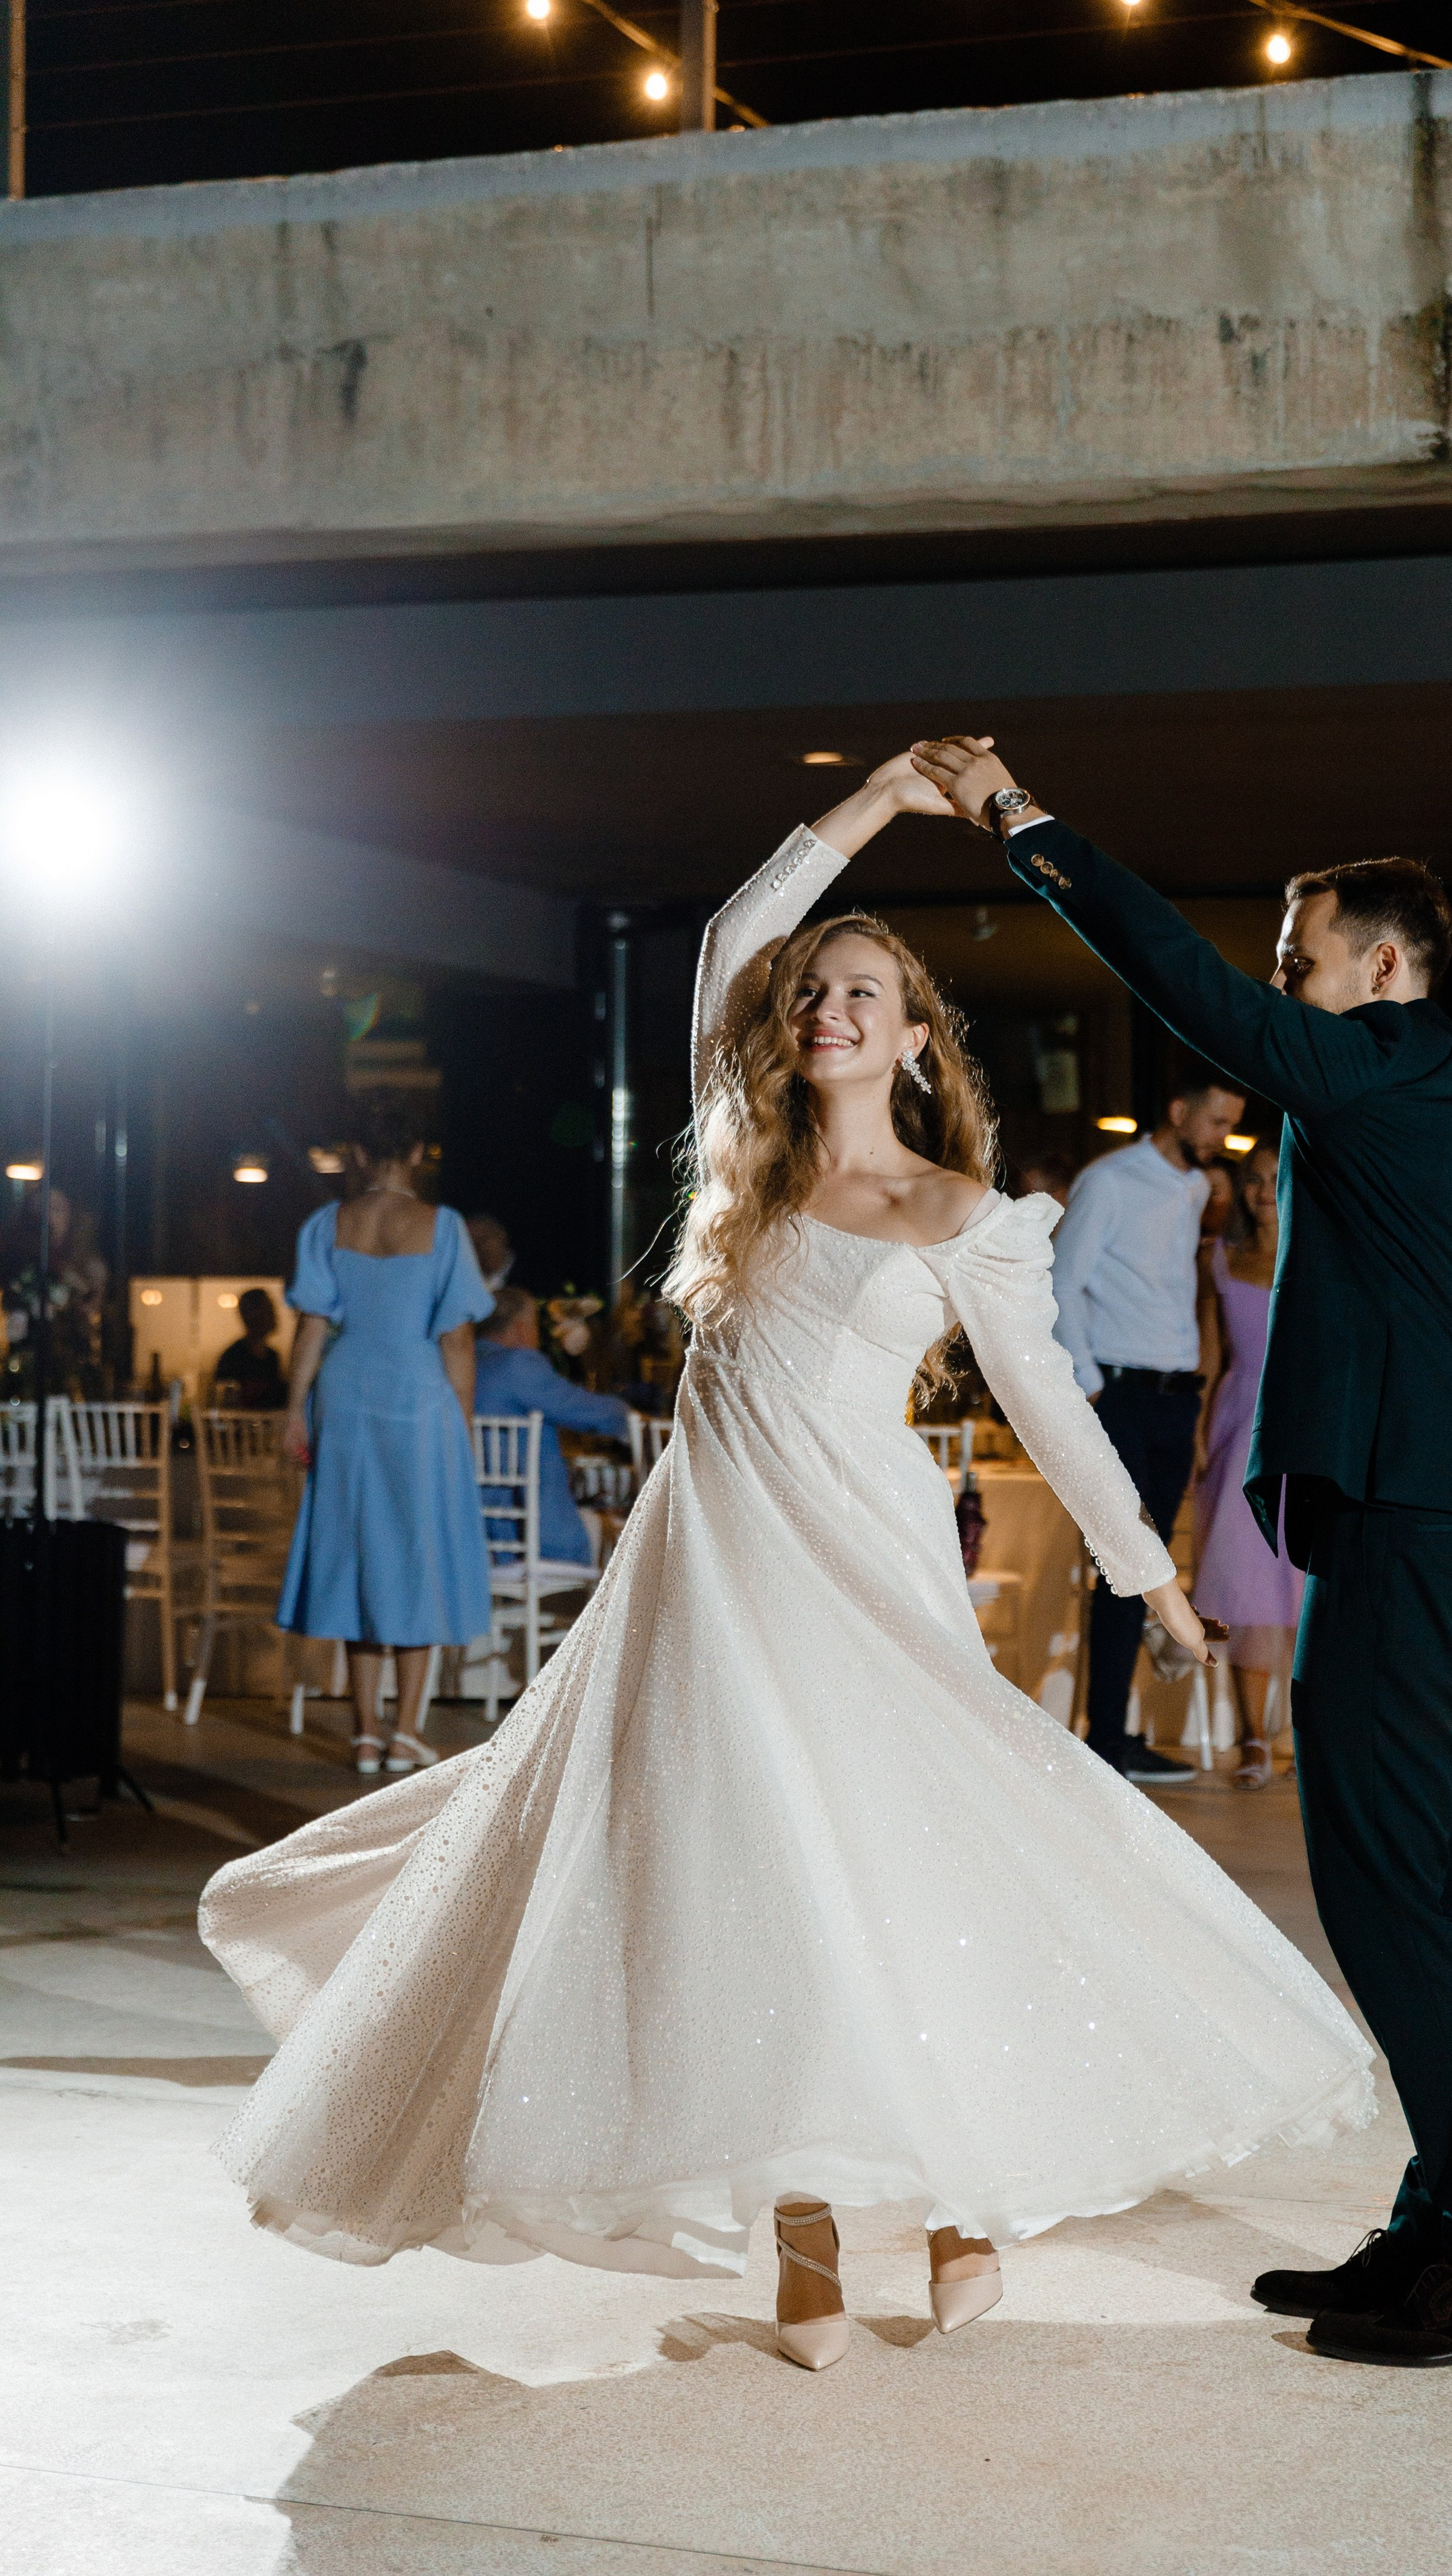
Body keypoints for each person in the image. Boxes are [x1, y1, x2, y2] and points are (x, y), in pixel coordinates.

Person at [200, 753, 1373, 2376]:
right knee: (732, 1882)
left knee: (899, 1875)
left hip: (865, 1559)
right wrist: (884, 794)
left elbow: (1051, 1403)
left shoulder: (967, 1209)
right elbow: (730, 937)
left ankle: (961, 2187)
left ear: (912, 1036)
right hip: (705, 1568)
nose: (825, 1002)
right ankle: (804, 2227)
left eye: (864, 990)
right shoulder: (739, 1147)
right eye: (815, 986)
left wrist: (1146, 1576)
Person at [913, 733, 1452, 2373]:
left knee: (1383, 1894)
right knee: (1450, 1899)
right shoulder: (1444, 1103)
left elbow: (1183, 987)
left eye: (1294, 959)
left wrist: (1022, 824)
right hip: (1448, 1525)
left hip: (1412, 1541)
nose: (1274, 987)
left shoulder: (1370, 1064)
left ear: (1375, 963)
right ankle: (1449, 2222)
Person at [277, 1097, 495, 1777]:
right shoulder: (443, 1226)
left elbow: (311, 1327)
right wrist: (462, 1422)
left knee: (358, 1558)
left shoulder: (327, 1223)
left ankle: (364, 1735)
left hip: (344, 1396)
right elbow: (457, 1335)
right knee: (417, 1555)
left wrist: (292, 1411)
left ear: (361, 1156)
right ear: (416, 1155)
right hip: (417, 1398)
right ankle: (405, 1733)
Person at [1050, 1074, 1246, 1783]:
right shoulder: (1109, 1181)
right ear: (1177, 1109)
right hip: (1123, 1396)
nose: (1223, 1137)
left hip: (1175, 1400)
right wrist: (1093, 1390)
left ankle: (1114, 1736)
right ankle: (1106, 1739)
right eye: (1216, 1121)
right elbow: (1061, 1280)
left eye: (1230, 1124)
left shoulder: (1194, 1190)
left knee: (1153, 1568)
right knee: (1124, 1571)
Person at [1191, 1146, 1304, 1791]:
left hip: (1305, 1426)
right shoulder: (1217, 1259)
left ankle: (1308, 1736)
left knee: (1303, 1582)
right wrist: (1198, 1435)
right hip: (1239, 1428)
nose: (1264, 1191)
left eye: (1276, 1179)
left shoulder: (1321, 1260)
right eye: (1254, 1180)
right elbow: (1209, 1356)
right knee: (1244, 1583)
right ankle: (1253, 1739)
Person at [473, 1285, 633, 1565]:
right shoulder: (516, 1365)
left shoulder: (464, 1366)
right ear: (521, 1328)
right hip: (532, 1537)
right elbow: (586, 1411)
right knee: (627, 1530)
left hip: (475, 1537)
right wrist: (633, 1418)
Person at [213, 1288, 288, 1411]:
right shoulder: (232, 1358)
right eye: (267, 1310)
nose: (274, 1315)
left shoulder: (272, 1357)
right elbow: (227, 1405)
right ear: (251, 1316)